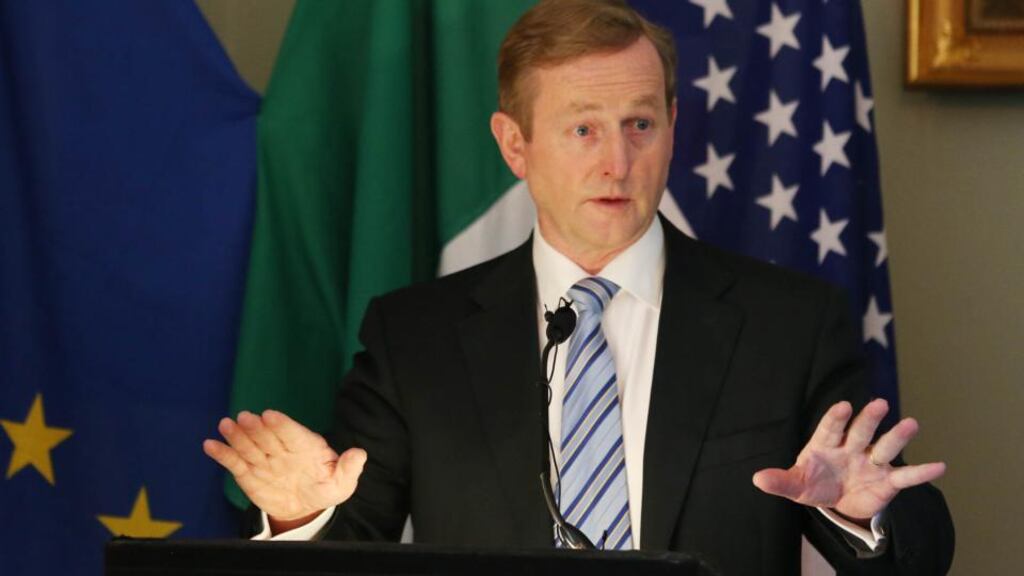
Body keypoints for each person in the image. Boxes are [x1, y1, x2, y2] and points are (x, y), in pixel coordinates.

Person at [203, 1, 954, 573]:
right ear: (515, 145)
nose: (618, 163)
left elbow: (915, 542)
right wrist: (302, 517)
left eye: (640, 125)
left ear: (672, 126)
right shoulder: (415, 337)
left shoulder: (789, 322)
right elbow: (350, 544)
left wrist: (864, 518)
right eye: (583, 130)